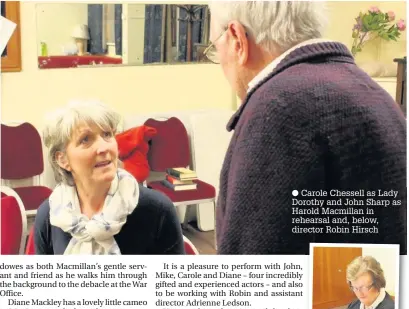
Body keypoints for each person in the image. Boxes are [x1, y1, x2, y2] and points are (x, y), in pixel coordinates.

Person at [206, 1, 406, 254]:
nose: (220, 60)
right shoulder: (374, 93)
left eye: (215, 48)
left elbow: (255, 275)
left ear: (237, 39)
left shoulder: (277, 108)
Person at [34, 100, 185, 255]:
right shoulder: (50, 215)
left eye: (107, 134)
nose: (104, 147)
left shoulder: (157, 210)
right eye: (85, 139)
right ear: (63, 160)